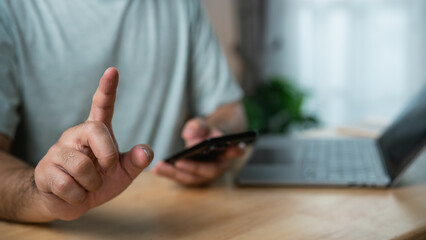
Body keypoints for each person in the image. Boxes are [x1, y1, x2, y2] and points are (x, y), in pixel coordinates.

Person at [0, 1, 246, 222]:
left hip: (176, 220)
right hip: (62, 228)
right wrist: (41, 194)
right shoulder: (10, 9)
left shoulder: (181, 5)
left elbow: (231, 111)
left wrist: (213, 139)